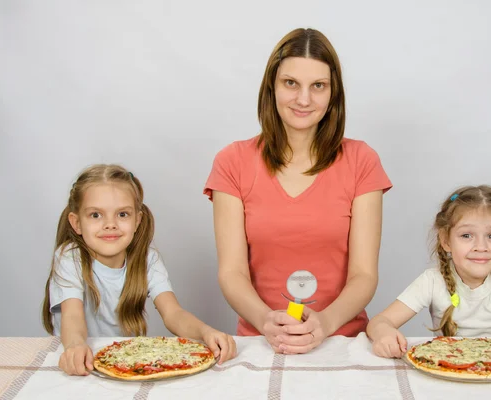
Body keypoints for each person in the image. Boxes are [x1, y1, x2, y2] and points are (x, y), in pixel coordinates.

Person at [204, 28, 392, 354]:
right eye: (291, 83)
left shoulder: (362, 160)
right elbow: (232, 272)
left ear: (333, 94)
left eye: (318, 86)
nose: (304, 99)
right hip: (260, 342)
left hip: (342, 342)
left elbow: (363, 275)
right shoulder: (231, 161)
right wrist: (266, 321)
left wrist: (326, 323)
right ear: (271, 88)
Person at [42, 164, 236, 376]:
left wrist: (205, 332)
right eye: (96, 215)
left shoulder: (147, 259)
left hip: (124, 362)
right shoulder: (70, 258)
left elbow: (173, 313)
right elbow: (72, 317)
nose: (110, 224)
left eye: (122, 214)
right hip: (79, 360)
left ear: (137, 220)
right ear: (76, 223)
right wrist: (75, 346)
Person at [366, 185, 491, 370]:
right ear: (446, 240)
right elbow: (379, 321)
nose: (481, 247)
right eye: (467, 235)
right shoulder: (432, 280)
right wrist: (384, 333)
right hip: (447, 371)